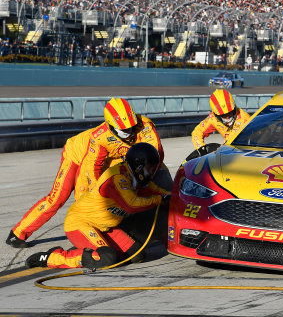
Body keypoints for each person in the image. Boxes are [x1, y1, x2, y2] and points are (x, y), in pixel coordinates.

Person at [6, 97, 172, 248]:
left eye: (132, 127)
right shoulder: (99, 138)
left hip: (115, 159)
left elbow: (157, 156)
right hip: (78, 157)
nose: (130, 133)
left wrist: (143, 183)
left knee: (157, 179)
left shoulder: (145, 126)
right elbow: (91, 171)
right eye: (124, 131)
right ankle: (18, 233)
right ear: (111, 127)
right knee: (60, 197)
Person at [25, 143, 168, 269]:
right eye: (150, 167)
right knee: (106, 258)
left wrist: (170, 195)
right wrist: (158, 199)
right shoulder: (117, 178)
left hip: (104, 226)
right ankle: (52, 257)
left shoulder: (135, 176)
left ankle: (92, 249)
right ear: (139, 166)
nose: (152, 171)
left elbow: (154, 189)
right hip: (80, 223)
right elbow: (131, 205)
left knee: (137, 255)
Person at [190, 89, 250, 157]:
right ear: (216, 115)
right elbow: (197, 132)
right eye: (223, 115)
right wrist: (202, 149)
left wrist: (218, 152)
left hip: (247, 151)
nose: (227, 117)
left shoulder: (244, 118)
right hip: (230, 153)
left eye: (229, 113)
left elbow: (230, 141)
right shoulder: (213, 118)